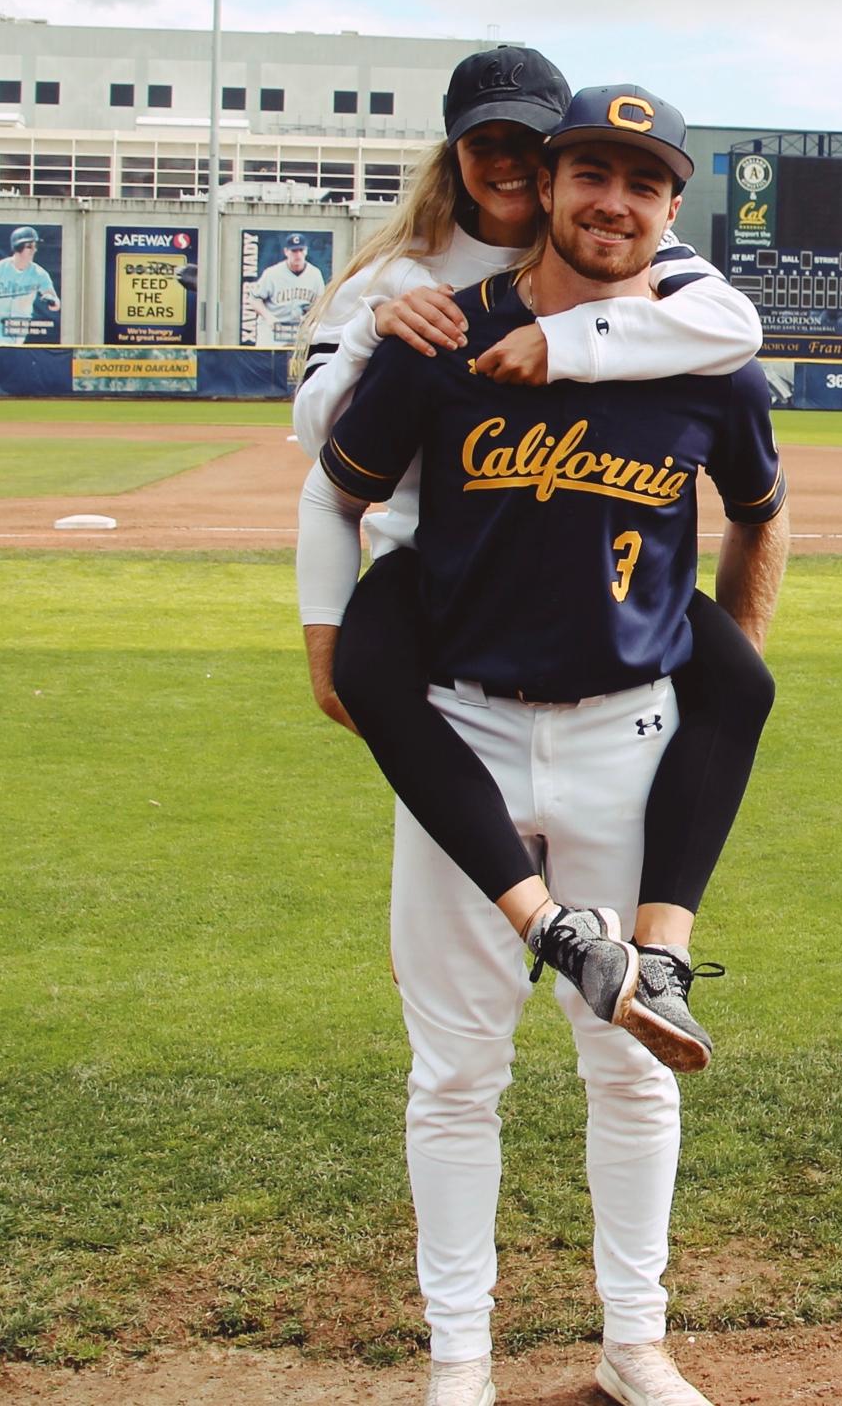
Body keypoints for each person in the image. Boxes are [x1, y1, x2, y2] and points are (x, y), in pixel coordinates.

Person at [301, 83, 789, 1406]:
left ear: (671, 209)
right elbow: (337, 492)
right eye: (591, 174)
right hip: (462, 730)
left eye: (643, 183)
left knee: (632, 1065)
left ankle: (635, 1344)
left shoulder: (706, 363)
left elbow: (760, 509)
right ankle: (458, 1367)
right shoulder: (438, 336)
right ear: (549, 185)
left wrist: (717, 659)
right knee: (456, 1074)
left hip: (625, 742)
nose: (613, 203)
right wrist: (328, 639)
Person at [294, 48, 773, 1071]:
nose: (508, 166)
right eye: (488, 147)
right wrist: (380, 338)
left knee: (737, 677)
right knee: (369, 675)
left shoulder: (663, 271)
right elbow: (321, 456)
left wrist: (570, 345)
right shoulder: (408, 278)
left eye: (527, 143)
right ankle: (545, 927)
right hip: (438, 558)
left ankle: (660, 956)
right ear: (460, 156)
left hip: (596, 579)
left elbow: (735, 330)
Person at [0, 226, 59, 345]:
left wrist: (52, 300)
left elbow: (55, 303)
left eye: (35, 246)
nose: (34, 250)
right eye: (29, 246)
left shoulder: (39, 274)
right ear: (18, 247)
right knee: (4, 354)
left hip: (19, 330)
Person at [248, 233, 325, 347]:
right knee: (268, 363)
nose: (298, 255)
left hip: (299, 330)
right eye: (294, 251)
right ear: (286, 252)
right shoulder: (272, 273)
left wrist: (312, 315)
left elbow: (320, 301)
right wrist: (268, 317)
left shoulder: (315, 274)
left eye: (300, 250)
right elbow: (254, 299)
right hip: (273, 330)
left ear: (306, 251)